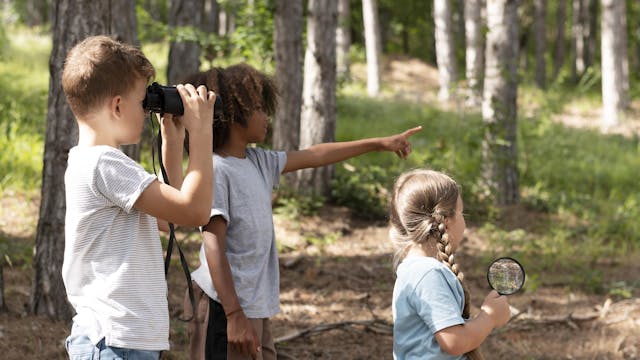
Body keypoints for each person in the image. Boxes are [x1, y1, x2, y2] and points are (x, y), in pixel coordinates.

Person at [180, 63, 422, 360]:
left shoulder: (258, 162)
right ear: (232, 112)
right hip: (223, 306)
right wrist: (233, 314)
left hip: (250, 306)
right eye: (257, 107)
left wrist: (378, 144)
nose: (266, 116)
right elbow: (213, 243)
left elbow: (316, 154)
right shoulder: (217, 168)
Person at [61, 35, 216, 359]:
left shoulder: (96, 161)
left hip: (122, 338)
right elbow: (196, 211)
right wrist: (202, 135)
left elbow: (166, 218)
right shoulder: (105, 163)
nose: (146, 110)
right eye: (141, 101)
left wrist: (173, 143)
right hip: (114, 341)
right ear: (117, 106)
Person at [389, 169, 511, 359]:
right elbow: (454, 342)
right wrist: (489, 317)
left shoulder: (414, 269)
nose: (465, 222)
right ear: (446, 222)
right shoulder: (428, 274)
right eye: (462, 213)